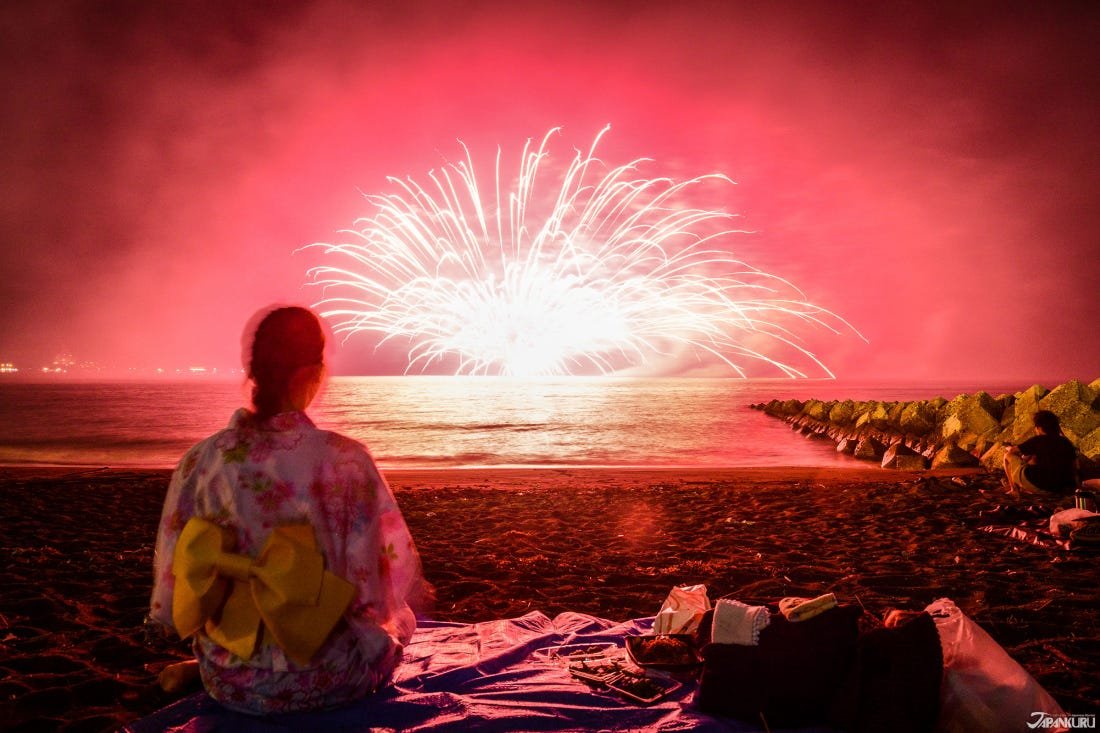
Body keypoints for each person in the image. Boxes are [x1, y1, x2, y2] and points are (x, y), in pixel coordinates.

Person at [149, 305, 428, 714]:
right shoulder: (346, 460)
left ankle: (201, 666)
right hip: (332, 680)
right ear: (311, 372)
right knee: (402, 619)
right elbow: (379, 588)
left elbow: (175, 587)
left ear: (254, 373)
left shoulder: (200, 461)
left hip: (229, 681)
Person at [1002, 409, 1079, 497]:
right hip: (1059, 489)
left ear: (1039, 427)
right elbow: (1075, 467)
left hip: (1039, 485)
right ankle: (1024, 487)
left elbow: (1012, 451)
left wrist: (1009, 448)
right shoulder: (1066, 442)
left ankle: (1014, 490)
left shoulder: (1038, 440)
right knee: (1033, 457)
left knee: (1007, 455)